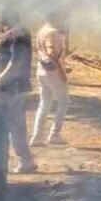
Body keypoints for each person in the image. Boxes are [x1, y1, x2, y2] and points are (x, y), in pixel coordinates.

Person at [0, 10, 36, 173]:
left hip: (12, 87)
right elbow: (11, 56)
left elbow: (17, 60)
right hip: (12, 86)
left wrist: (0, 79)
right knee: (14, 124)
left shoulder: (17, 34)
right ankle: (23, 160)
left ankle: (22, 160)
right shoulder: (18, 32)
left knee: (11, 123)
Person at [32, 10, 70, 146]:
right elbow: (51, 52)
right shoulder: (53, 32)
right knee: (64, 102)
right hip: (53, 72)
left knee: (44, 103)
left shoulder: (42, 30)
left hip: (42, 70)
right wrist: (61, 70)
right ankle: (54, 134)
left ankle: (37, 136)